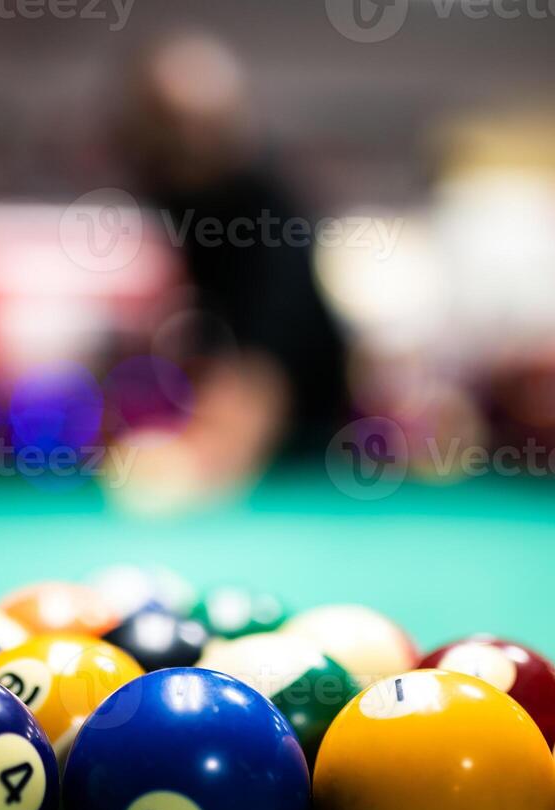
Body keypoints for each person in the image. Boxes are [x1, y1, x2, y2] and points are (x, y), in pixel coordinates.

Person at [109, 34, 350, 508]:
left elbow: (269, 348)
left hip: (303, 421)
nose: (188, 139)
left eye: (202, 124)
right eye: (171, 123)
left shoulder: (264, 204)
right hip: (239, 388)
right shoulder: (175, 195)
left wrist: (216, 451)